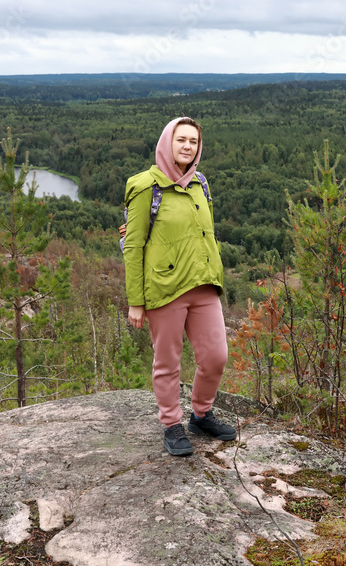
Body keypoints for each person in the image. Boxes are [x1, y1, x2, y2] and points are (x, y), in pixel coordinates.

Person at [122, 116, 236, 456]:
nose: (188, 146)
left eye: (194, 142)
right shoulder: (145, 186)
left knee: (216, 356)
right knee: (167, 361)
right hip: (164, 288)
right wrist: (136, 301)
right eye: (181, 139)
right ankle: (172, 424)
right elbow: (134, 246)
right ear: (166, 142)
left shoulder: (200, 182)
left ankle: (201, 414)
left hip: (203, 285)